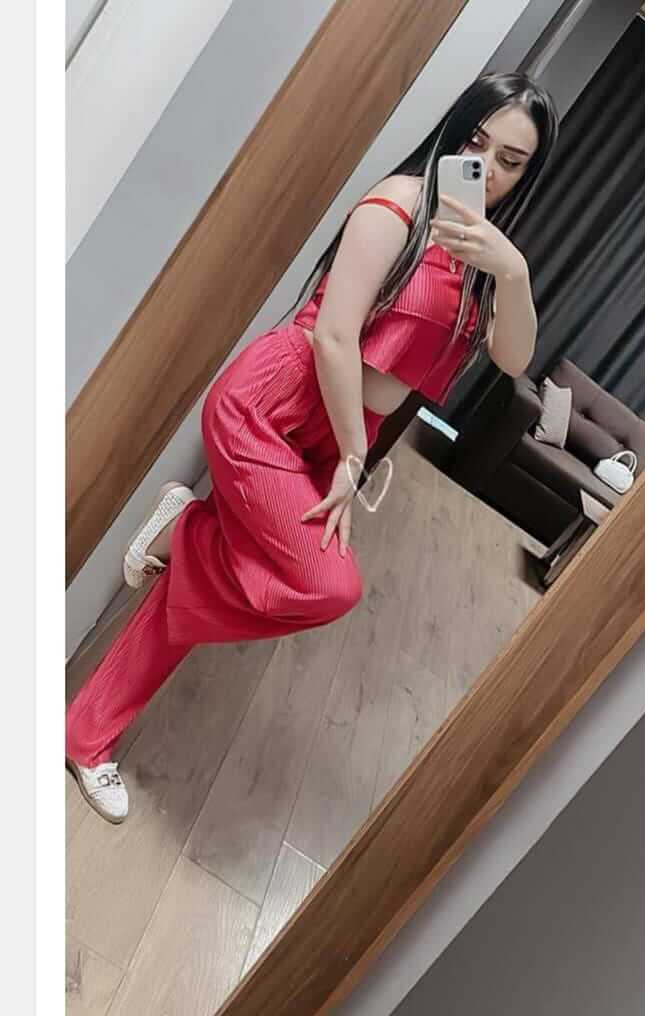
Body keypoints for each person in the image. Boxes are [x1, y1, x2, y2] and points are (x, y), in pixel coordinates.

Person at [65, 71, 558, 822]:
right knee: (329, 586)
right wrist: (356, 458)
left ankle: (87, 732)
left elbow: (514, 357)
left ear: (528, 174)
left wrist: (514, 270)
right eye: (476, 142)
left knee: (210, 577)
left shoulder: (487, 264)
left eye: (510, 161)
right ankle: (187, 530)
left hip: (335, 436)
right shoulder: (397, 206)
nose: (485, 168)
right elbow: (333, 337)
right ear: (454, 132)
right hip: (275, 406)